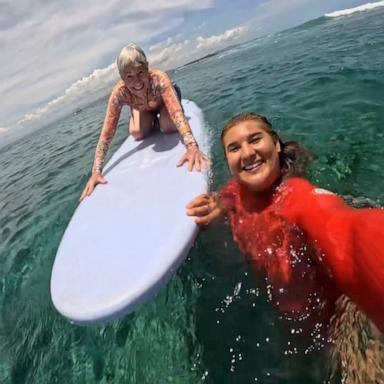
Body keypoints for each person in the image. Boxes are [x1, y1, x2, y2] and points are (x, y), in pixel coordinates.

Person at [186, 112, 384, 334]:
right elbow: (231, 194)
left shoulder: (296, 196)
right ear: (228, 161)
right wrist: (218, 204)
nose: (247, 153)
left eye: (255, 139)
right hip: (289, 321)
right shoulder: (236, 191)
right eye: (234, 148)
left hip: (335, 325)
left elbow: (348, 231)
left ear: (276, 145)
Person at [80, 43, 208, 201]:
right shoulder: (119, 94)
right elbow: (107, 133)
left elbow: (176, 113)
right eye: (129, 77)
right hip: (144, 108)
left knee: (167, 126)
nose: (137, 81)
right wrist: (96, 171)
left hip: (164, 103)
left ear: (147, 68)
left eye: (140, 72)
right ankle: (146, 114)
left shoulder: (159, 78)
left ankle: (159, 114)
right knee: (137, 133)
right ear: (122, 78)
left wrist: (192, 146)